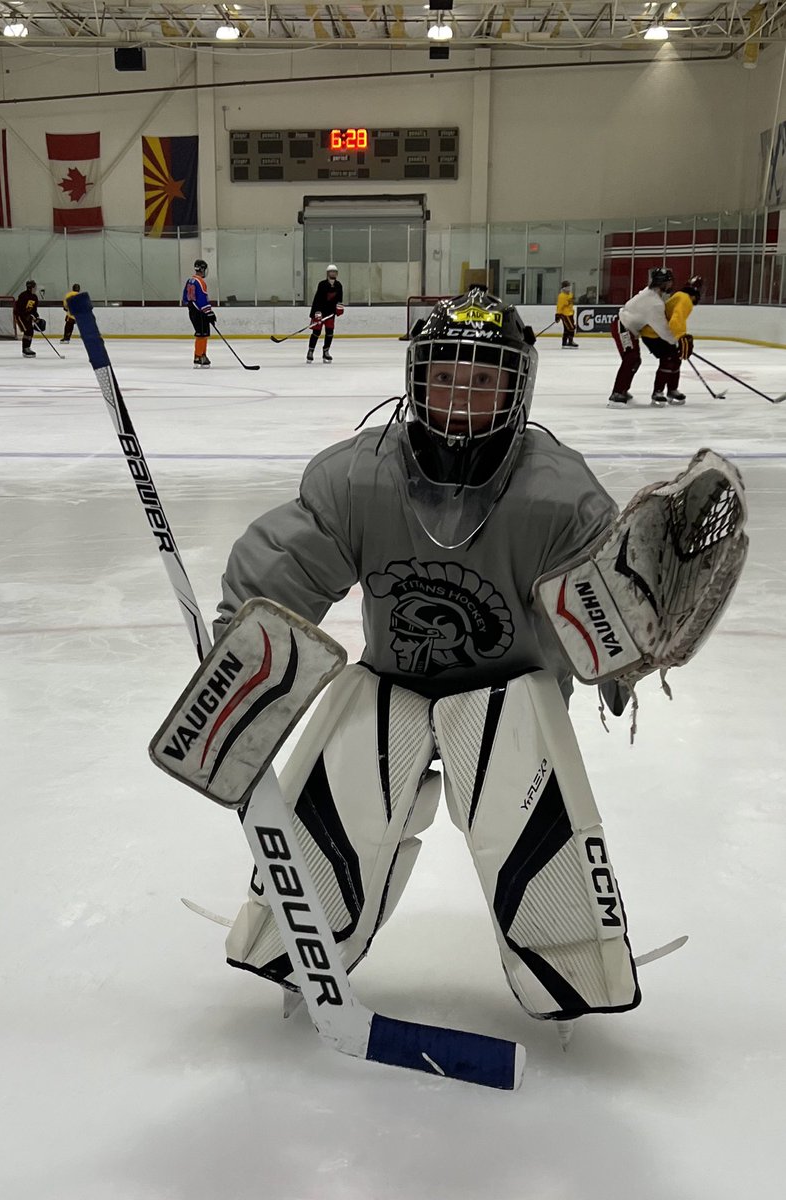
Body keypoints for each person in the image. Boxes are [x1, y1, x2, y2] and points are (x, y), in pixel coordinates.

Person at [215, 289, 645, 1028]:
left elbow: (602, 616)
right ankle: (296, 939)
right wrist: (238, 647)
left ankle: (571, 954)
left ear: (517, 386)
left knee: (513, 756)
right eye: (445, 374)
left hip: (511, 691)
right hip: (392, 685)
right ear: (416, 377)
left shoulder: (558, 495)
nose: (459, 396)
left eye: (483, 380)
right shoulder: (360, 476)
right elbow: (293, 558)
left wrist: (637, 644)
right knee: (353, 743)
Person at [608, 267, 677, 407]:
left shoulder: (651, 294)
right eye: (669, 282)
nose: (671, 285)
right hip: (623, 327)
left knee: (634, 360)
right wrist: (676, 341)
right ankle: (617, 394)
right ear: (662, 283)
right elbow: (663, 330)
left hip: (627, 328)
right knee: (631, 359)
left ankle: (622, 389)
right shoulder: (654, 304)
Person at [648, 275, 703, 405]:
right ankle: (658, 392)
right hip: (655, 333)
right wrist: (682, 336)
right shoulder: (685, 300)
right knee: (668, 360)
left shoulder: (681, 296)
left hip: (663, 333)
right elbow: (675, 321)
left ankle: (672, 389)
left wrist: (680, 337)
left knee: (675, 359)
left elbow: (676, 321)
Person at [307, 264, 344, 363]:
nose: (333, 274)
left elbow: (339, 299)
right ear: (328, 273)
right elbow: (317, 299)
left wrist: (339, 307)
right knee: (316, 332)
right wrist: (317, 312)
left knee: (329, 333)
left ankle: (326, 351)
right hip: (319, 312)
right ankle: (310, 351)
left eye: (335, 272)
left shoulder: (339, 285)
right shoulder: (322, 284)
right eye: (331, 272)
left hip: (330, 313)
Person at [183, 259, 215, 368]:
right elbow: (202, 298)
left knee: (203, 334)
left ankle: (202, 356)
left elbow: (185, 297)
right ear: (203, 269)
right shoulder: (200, 282)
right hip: (200, 311)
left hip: (192, 310)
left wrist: (191, 306)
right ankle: (198, 357)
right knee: (201, 334)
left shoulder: (190, 280)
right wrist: (208, 312)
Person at [13, 279, 41, 358]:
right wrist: (26, 315)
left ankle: (27, 347)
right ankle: (25, 349)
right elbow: (19, 308)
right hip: (20, 316)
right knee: (27, 330)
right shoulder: (23, 295)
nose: (35, 289)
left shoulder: (34, 297)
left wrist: (37, 317)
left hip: (28, 316)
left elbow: (34, 310)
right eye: (34, 287)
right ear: (31, 287)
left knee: (30, 331)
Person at [555, 279, 578, 348]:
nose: (569, 289)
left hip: (570, 313)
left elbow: (571, 302)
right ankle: (570, 342)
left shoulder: (570, 294)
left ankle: (565, 342)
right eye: (567, 288)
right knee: (571, 327)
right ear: (563, 288)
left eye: (569, 287)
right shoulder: (561, 296)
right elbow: (559, 306)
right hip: (564, 314)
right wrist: (557, 315)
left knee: (567, 328)